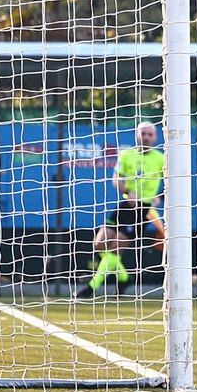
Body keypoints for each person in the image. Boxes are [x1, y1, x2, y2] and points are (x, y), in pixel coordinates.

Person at [76, 121, 167, 298]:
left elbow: (172, 182)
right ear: (137, 135)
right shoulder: (126, 154)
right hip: (126, 205)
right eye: (143, 134)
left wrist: (160, 198)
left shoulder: (160, 158)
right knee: (99, 244)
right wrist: (127, 191)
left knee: (115, 250)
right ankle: (124, 278)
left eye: (150, 134)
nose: (146, 137)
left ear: (155, 137)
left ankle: (91, 287)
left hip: (143, 210)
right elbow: (116, 178)